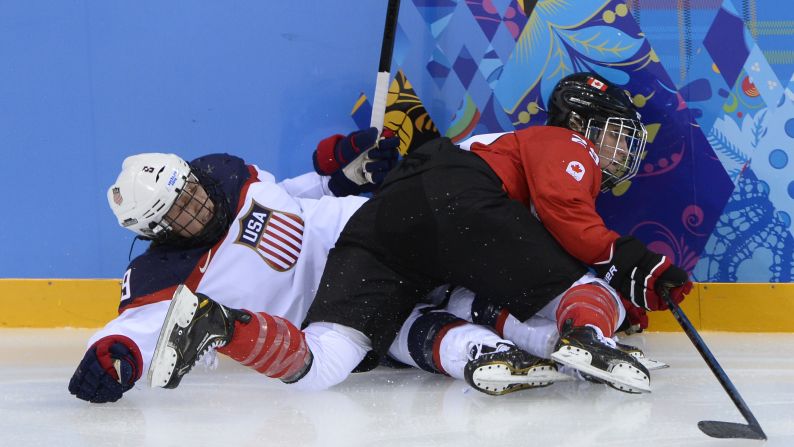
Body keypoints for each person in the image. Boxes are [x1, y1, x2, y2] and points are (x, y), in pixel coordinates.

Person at [150, 72, 690, 395]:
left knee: (327, 360)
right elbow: (567, 214)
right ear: (585, 124)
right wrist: (638, 264)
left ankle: (219, 325)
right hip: (458, 197)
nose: (620, 152)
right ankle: (588, 340)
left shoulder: (512, 145)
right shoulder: (565, 142)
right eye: (617, 135)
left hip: (381, 222)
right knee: (593, 293)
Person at [68, 128, 567, 403]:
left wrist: (340, 179)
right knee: (422, 323)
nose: (195, 204)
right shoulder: (162, 275)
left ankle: (577, 321)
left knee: (472, 267)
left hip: (370, 231)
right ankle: (520, 346)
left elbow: (283, 195)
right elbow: (130, 331)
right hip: (343, 305)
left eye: (189, 188)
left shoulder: (222, 170)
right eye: (177, 210)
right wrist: (112, 358)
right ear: (156, 232)